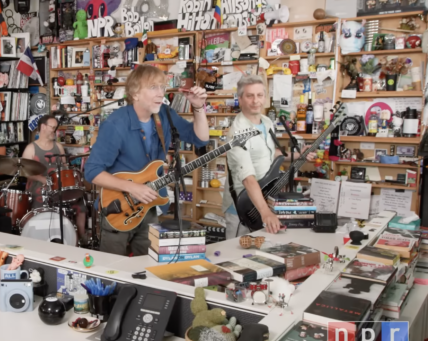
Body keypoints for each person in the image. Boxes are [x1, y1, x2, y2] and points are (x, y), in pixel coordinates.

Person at [84, 65, 209, 256]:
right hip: (118, 207)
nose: (160, 93)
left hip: (149, 205)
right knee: (112, 269)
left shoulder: (166, 116)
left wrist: (198, 107)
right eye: (153, 87)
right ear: (135, 94)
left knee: (146, 265)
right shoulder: (116, 124)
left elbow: (200, 138)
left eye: (162, 87)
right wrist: (132, 187)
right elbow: (92, 171)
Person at [222, 75, 316, 239]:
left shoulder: (266, 122)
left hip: (265, 200)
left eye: (259, 95)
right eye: (250, 95)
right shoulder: (237, 132)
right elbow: (247, 178)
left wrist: (299, 155)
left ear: (265, 98)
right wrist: (266, 212)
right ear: (240, 99)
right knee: (236, 257)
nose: (255, 100)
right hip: (243, 207)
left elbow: (270, 154)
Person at [22, 115, 88, 241]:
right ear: (43, 127)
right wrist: (42, 179)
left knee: (80, 201)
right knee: (43, 205)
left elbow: (64, 167)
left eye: (55, 127)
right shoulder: (31, 148)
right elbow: (24, 172)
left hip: (58, 186)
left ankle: (80, 238)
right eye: (52, 127)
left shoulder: (58, 147)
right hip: (39, 188)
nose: (55, 130)